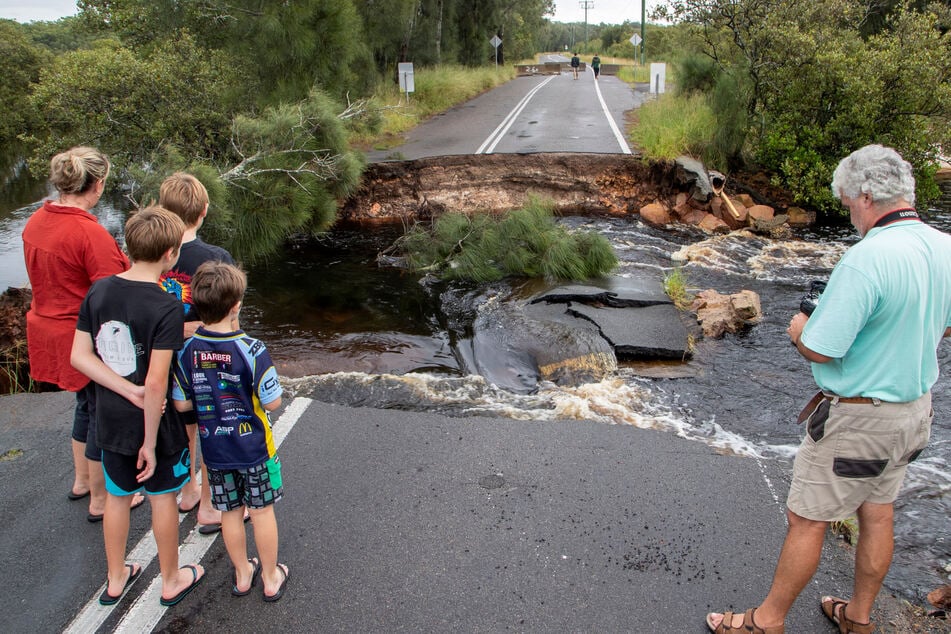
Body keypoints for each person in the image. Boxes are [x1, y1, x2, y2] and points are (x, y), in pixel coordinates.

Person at [706, 144, 951, 634]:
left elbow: (821, 349)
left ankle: (765, 621)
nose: (850, 216)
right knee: (878, 515)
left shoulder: (867, 258)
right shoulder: (944, 245)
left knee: (807, 521)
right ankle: (858, 618)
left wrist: (801, 326)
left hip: (859, 419)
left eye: (846, 204)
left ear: (866, 195)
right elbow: (943, 328)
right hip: (914, 412)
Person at [71, 206, 206, 606]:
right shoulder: (165, 306)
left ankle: (115, 578)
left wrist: (120, 389)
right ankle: (171, 579)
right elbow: (155, 382)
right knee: (163, 496)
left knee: (117, 496)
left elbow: (80, 356)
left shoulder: (99, 289)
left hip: (109, 418)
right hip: (153, 423)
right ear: (170, 254)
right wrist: (148, 440)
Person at [22, 146, 144, 521]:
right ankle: (100, 498)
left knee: (85, 406)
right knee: (101, 413)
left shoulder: (36, 222)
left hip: (48, 329)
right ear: (98, 184)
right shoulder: (88, 234)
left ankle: (81, 481)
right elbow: (114, 293)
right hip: (85, 338)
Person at [172, 261, 289, 601]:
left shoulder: (188, 351)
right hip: (254, 449)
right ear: (236, 305)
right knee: (263, 511)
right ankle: (270, 577)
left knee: (230, 512)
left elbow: (181, 405)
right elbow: (273, 403)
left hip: (216, 452)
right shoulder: (252, 349)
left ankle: (242, 573)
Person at [158, 172, 238, 533]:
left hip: (167, 358)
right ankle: (208, 503)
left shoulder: (154, 254)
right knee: (210, 425)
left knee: (183, 424)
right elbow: (229, 312)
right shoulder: (214, 257)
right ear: (204, 210)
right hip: (205, 359)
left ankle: (186, 490)